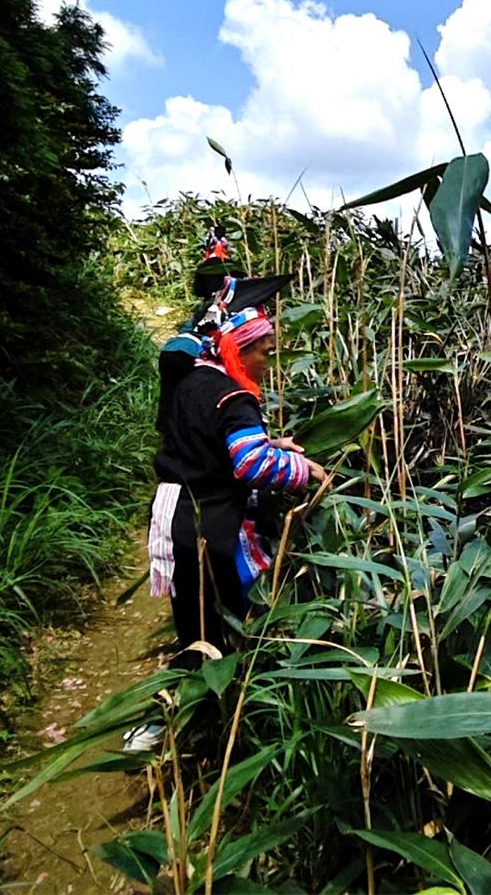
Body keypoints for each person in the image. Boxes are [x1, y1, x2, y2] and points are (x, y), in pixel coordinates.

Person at [124, 274, 324, 753]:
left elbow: (201, 442)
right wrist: (303, 469)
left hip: (173, 516)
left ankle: (172, 721)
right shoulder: (237, 399)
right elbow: (250, 463)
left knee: (193, 624)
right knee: (233, 619)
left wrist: (270, 441)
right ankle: (214, 726)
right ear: (239, 347)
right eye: (266, 352)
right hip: (209, 527)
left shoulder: (190, 381)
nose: (268, 363)